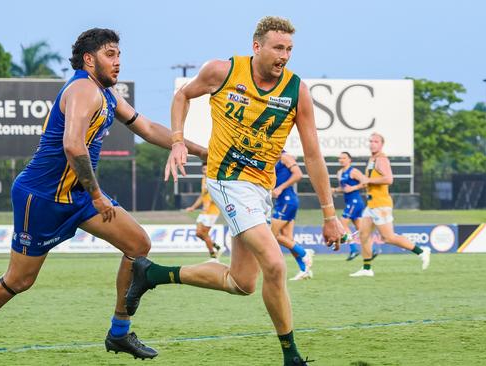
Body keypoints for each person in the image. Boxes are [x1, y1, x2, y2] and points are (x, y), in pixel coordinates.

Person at [0, 28, 208, 364]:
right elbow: (72, 145)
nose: (118, 61)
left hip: (78, 195)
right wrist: (96, 194)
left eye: (119, 54)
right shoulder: (81, 89)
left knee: (138, 245)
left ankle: (119, 332)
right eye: (110, 54)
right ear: (89, 59)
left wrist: (195, 149)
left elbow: (147, 128)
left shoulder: (106, 94)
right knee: (19, 280)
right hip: (42, 197)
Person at [125, 16, 346, 366]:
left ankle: (151, 273)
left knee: (241, 282)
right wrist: (178, 140)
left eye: (289, 49)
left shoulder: (296, 90)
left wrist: (330, 214)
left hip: (260, 189)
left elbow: (314, 154)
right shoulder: (222, 71)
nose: (284, 55)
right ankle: (292, 358)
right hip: (227, 179)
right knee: (275, 265)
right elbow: (183, 95)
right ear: (256, 46)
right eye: (278, 47)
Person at [350, 133, 431, 277]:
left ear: (381, 144)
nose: (372, 143)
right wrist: (362, 183)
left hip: (381, 204)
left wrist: (366, 180)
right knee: (364, 234)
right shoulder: (372, 159)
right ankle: (367, 269)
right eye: (371, 141)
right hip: (371, 204)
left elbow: (388, 179)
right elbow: (370, 181)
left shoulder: (381, 159)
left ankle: (421, 251)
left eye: (376, 141)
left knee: (388, 237)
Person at [271, 151, 314, 281]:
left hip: (287, 201)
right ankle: (304, 269)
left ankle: (304, 252)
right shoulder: (275, 158)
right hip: (284, 201)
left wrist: (280, 188)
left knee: (271, 234)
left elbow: (298, 174)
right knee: (288, 239)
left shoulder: (285, 157)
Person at [332, 151, 368, 261]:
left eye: (344, 158)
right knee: (361, 229)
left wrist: (353, 188)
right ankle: (371, 249)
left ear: (349, 160)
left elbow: (365, 182)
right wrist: (334, 190)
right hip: (349, 202)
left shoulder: (354, 171)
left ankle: (353, 249)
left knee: (343, 223)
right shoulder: (339, 173)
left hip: (355, 201)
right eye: (340, 158)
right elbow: (344, 188)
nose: (341, 160)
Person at [186, 162, 223, 262]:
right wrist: (193, 207)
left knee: (204, 233)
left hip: (212, 211)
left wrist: (208, 204)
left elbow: (215, 194)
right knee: (198, 233)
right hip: (204, 211)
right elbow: (202, 196)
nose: (205, 171)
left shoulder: (213, 180)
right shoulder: (204, 179)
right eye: (203, 169)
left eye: (206, 169)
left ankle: (213, 256)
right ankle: (216, 246)